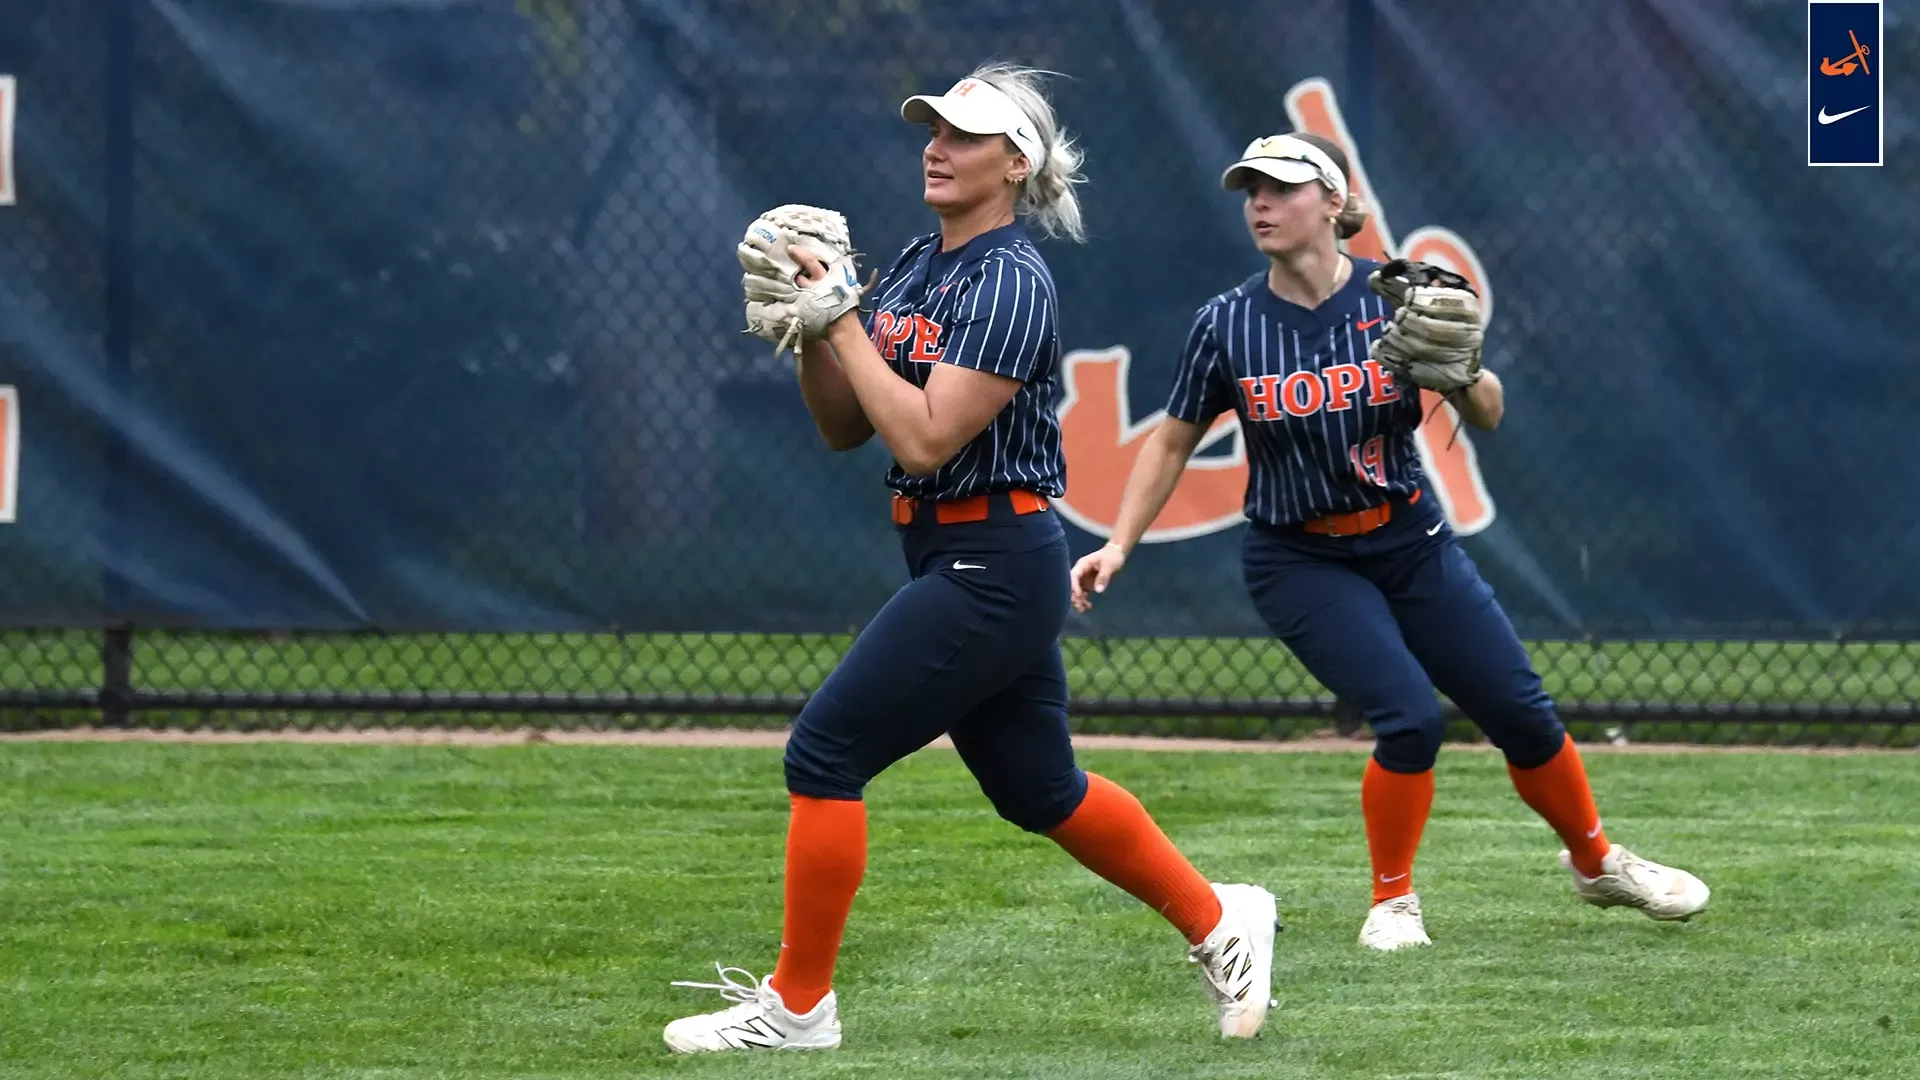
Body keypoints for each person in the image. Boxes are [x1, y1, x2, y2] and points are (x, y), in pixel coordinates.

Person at [662, 63, 1279, 1054]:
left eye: (963, 133)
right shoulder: (915, 262)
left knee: (824, 752)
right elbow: (842, 430)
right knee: (1042, 790)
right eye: (932, 128)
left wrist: (844, 318)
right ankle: (1222, 921)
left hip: (994, 560)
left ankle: (799, 1007)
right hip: (958, 554)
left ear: (1016, 162)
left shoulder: (1013, 281)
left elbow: (923, 440)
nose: (936, 144)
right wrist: (815, 327)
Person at [1068, 131, 1709, 952]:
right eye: (1250, 190)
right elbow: (1170, 440)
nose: (1259, 203)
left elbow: (1490, 413)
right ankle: (1392, 902)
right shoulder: (1226, 323)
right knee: (1409, 717)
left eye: (1281, 188)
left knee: (1520, 710)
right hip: (1298, 557)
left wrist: (1465, 371)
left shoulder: (1406, 294)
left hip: (1410, 540)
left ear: (1333, 203)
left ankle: (1596, 863)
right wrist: (1119, 543)